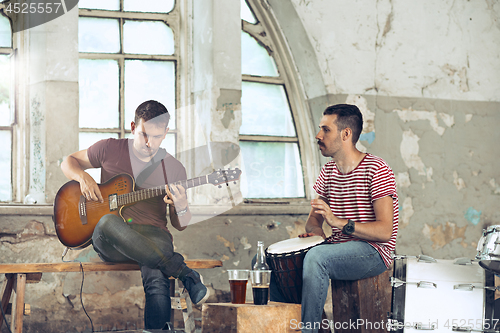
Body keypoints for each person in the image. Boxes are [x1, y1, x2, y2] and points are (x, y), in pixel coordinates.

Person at [60, 100, 209, 330]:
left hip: (153, 236)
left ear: (166, 132)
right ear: (132, 127)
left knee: (157, 277)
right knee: (108, 221)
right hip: (112, 238)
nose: (150, 143)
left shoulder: (174, 168)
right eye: (144, 135)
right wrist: (83, 177)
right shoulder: (109, 148)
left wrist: (181, 204)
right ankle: (184, 273)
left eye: (157, 136)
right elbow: (68, 162)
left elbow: (181, 224)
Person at [299, 104, 399, 333]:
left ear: (346, 134)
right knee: (282, 261)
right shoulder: (328, 172)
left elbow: (385, 231)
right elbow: (313, 220)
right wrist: (316, 234)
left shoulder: (377, 168)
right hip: (339, 248)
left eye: (325, 130)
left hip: (374, 251)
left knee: (317, 258)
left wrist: (339, 223)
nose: (318, 135)